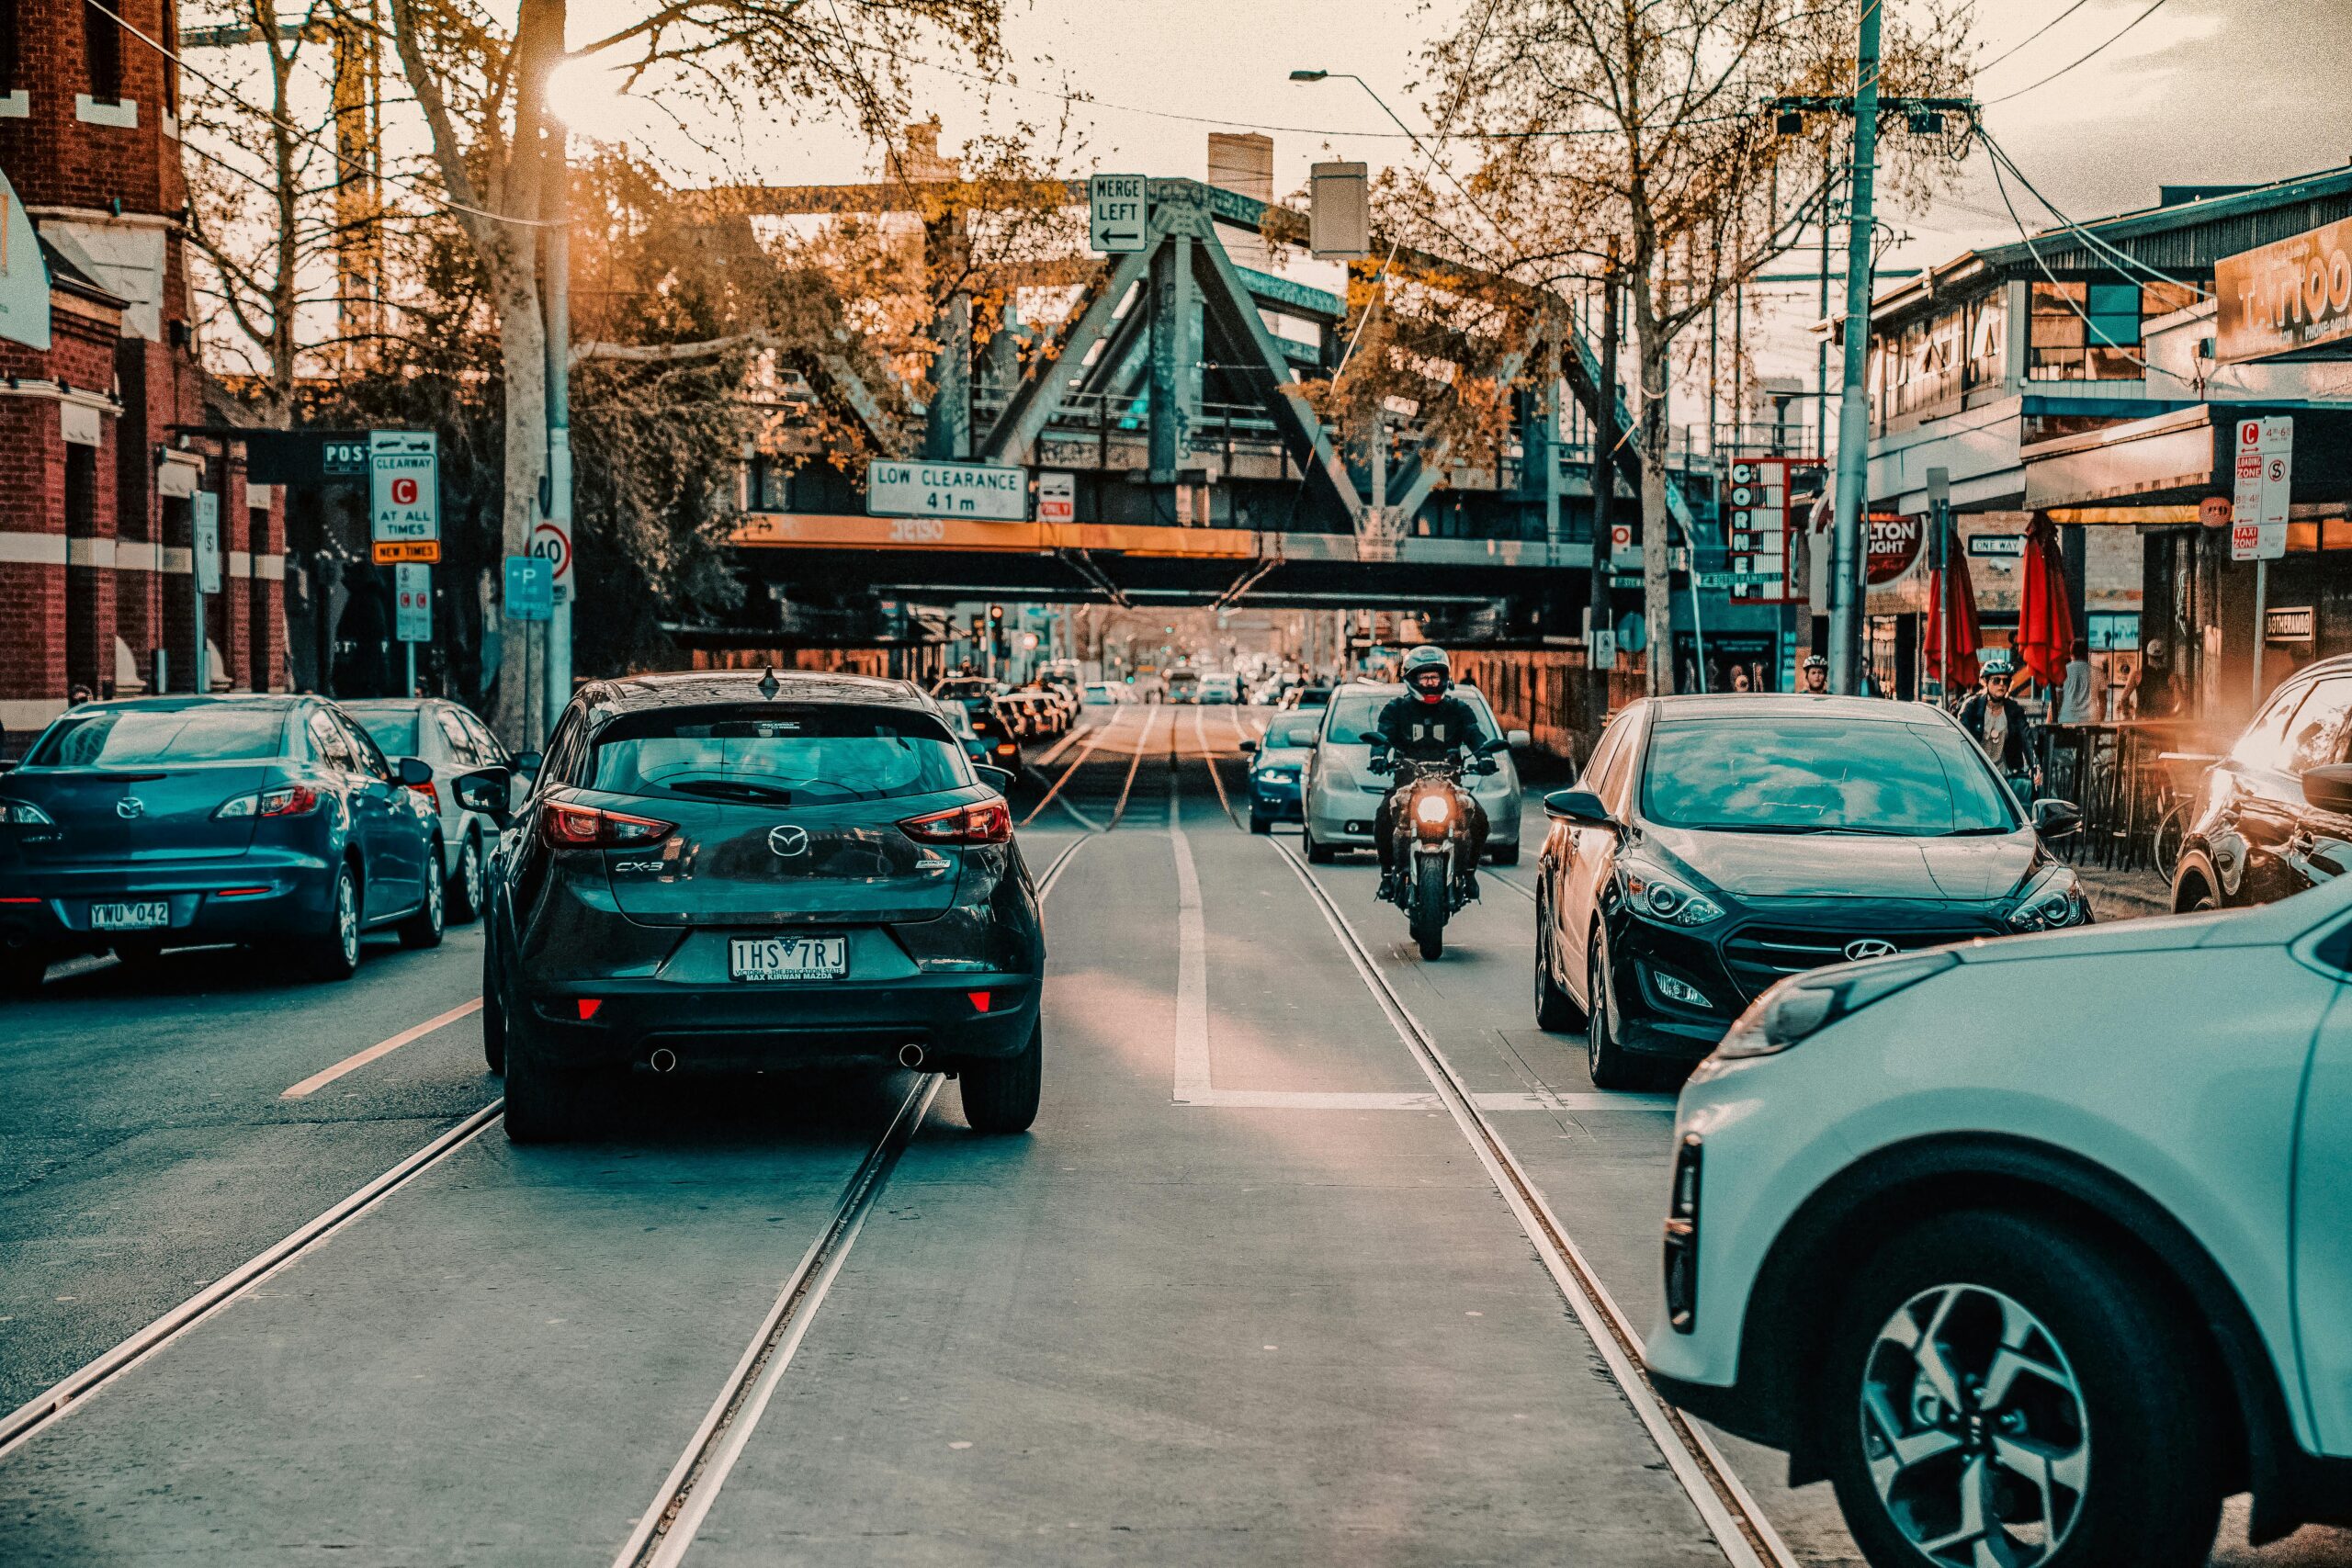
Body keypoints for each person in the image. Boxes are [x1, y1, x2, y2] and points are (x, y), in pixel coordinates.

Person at [1370, 645, 1491, 902]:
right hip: (1407, 781)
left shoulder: (1458, 709)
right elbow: (1383, 736)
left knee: (1479, 818)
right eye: (1424, 678)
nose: (1430, 683)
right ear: (1411, 680)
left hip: (1450, 783)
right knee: (1383, 815)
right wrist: (1378, 756)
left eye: (1435, 677)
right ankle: (1387, 874)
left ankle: (1468, 873)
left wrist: (1485, 756)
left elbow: (1474, 733)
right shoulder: (1396, 709)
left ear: (1445, 679)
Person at [1960, 653, 2038, 800]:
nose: (2002, 685)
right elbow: (1961, 741)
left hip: (2003, 777)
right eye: (1996, 680)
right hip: (1976, 775)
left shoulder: (2014, 709)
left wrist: (2035, 766)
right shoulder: (1971, 707)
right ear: (1985, 682)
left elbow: (2027, 739)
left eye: (2006, 681)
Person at [2057, 638, 2095, 725]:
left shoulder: (2063, 672)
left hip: (2066, 719)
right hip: (2089, 721)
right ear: (2087, 654)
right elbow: (2102, 703)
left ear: (2071, 653)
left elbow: (2058, 700)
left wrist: (2050, 721)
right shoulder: (2096, 672)